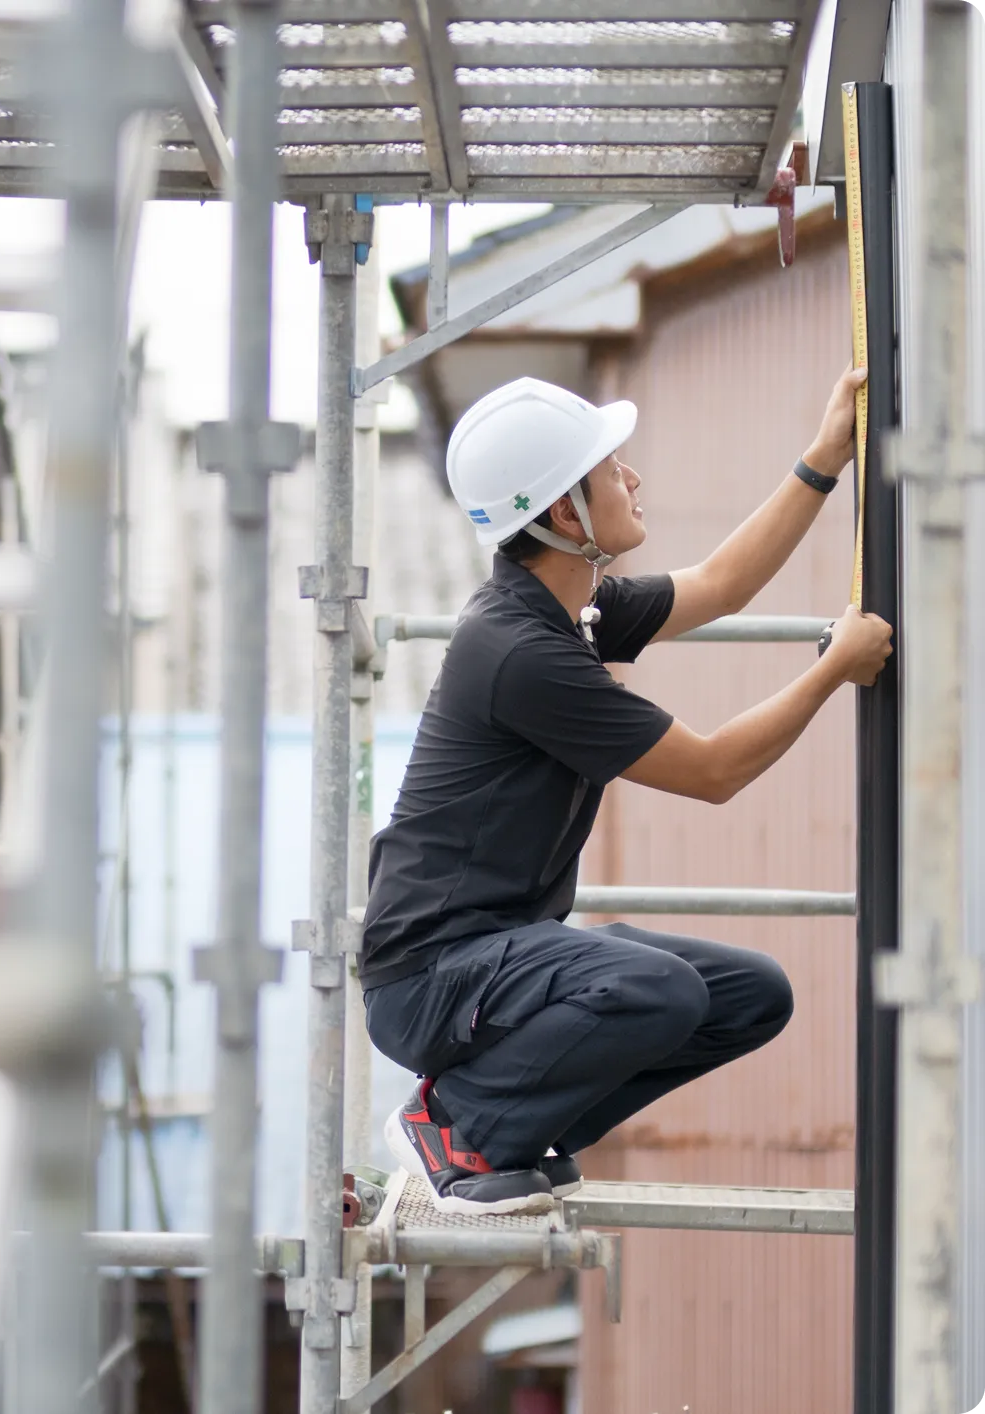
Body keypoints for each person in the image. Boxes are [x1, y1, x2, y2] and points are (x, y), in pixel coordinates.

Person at [360, 370, 893, 1216]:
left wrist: (824, 456)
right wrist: (833, 668)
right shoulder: (518, 651)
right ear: (566, 514)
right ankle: (456, 1130)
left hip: (496, 957)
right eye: (613, 470)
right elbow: (713, 771)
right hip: (434, 975)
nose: (633, 479)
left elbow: (719, 585)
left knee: (750, 997)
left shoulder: (571, 611)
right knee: (660, 990)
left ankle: (525, 1125)